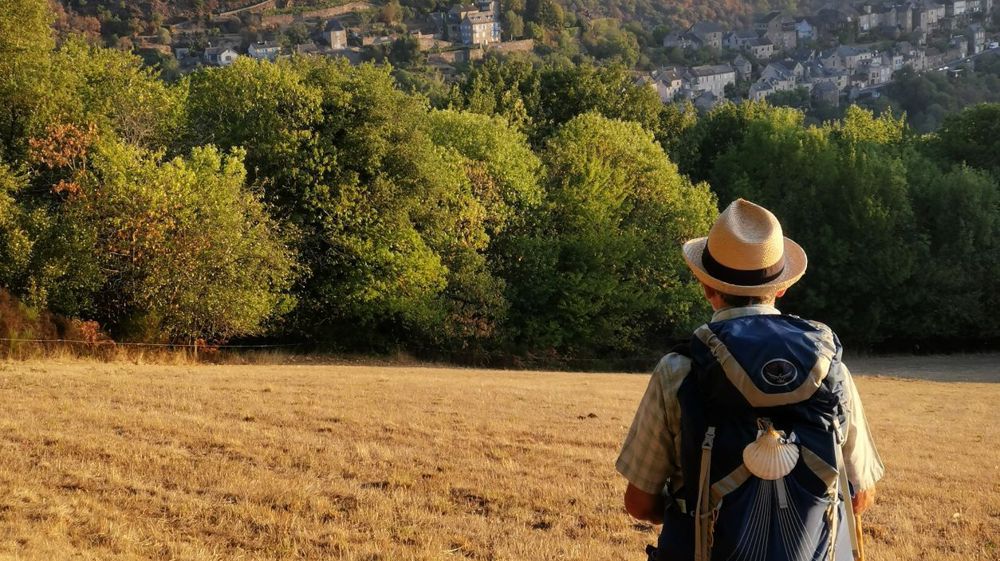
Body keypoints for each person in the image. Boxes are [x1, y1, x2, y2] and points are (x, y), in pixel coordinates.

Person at [616, 199, 884, 561]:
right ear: (782, 287)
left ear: (706, 286)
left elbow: (639, 502)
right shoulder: (828, 365)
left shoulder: (679, 369)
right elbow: (859, 496)